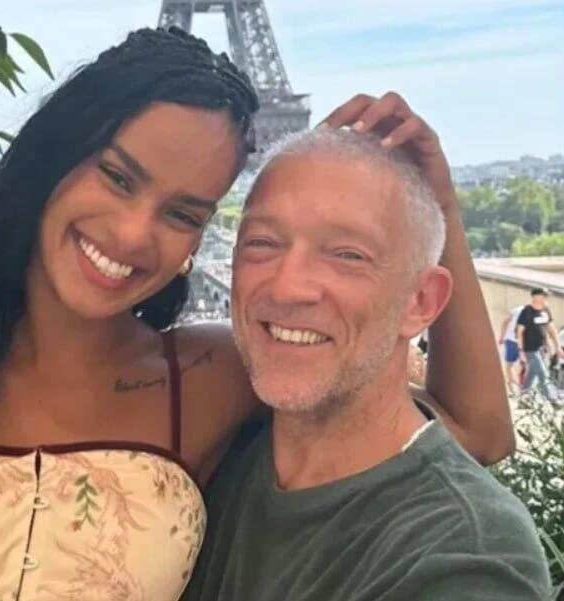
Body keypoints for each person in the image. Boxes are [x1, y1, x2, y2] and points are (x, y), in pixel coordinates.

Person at [0, 29, 513, 601]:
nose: (132, 235)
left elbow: (476, 431)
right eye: (118, 176)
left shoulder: (211, 374)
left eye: (182, 213)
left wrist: (437, 208)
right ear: (53, 158)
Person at [183, 107, 549, 601]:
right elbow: (483, 431)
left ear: (421, 302)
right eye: (262, 242)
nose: (288, 286)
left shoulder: (467, 555)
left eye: (347, 255)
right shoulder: (221, 434)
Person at [517, 287, 562, 404]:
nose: (546, 298)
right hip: (530, 349)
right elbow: (519, 332)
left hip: (543, 349)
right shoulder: (526, 311)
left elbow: (552, 329)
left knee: (532, 374)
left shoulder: (546, 310)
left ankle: (523, 396)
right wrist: (521, 351)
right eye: (544, 295)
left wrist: (557, 347)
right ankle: (552, 399)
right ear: (535, 297)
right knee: (542, 373)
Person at [499, 303, 527, 394]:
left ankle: (515, 387)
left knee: (510, 366)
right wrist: (502, 336)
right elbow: (505, 321)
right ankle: (514, 386)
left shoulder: (517, 309)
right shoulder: (519, 310)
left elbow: (505, 321)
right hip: (514, 341)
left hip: (514, 341)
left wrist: (502, 336)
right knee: (519, 365)